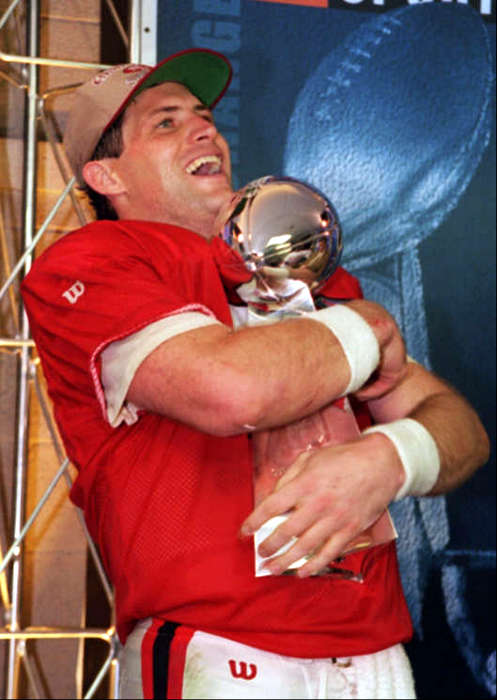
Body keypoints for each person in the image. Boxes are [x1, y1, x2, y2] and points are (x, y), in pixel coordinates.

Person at [21, 49, 489, 699]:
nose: (203, 128)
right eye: (165, 123)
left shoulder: (311, 280)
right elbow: (229, 390)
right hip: (224, 645)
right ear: (106, 174)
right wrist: (366, 328)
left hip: (376, 650)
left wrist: (391, 455)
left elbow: (459, 428)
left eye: (204, 116)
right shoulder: (95, 259)